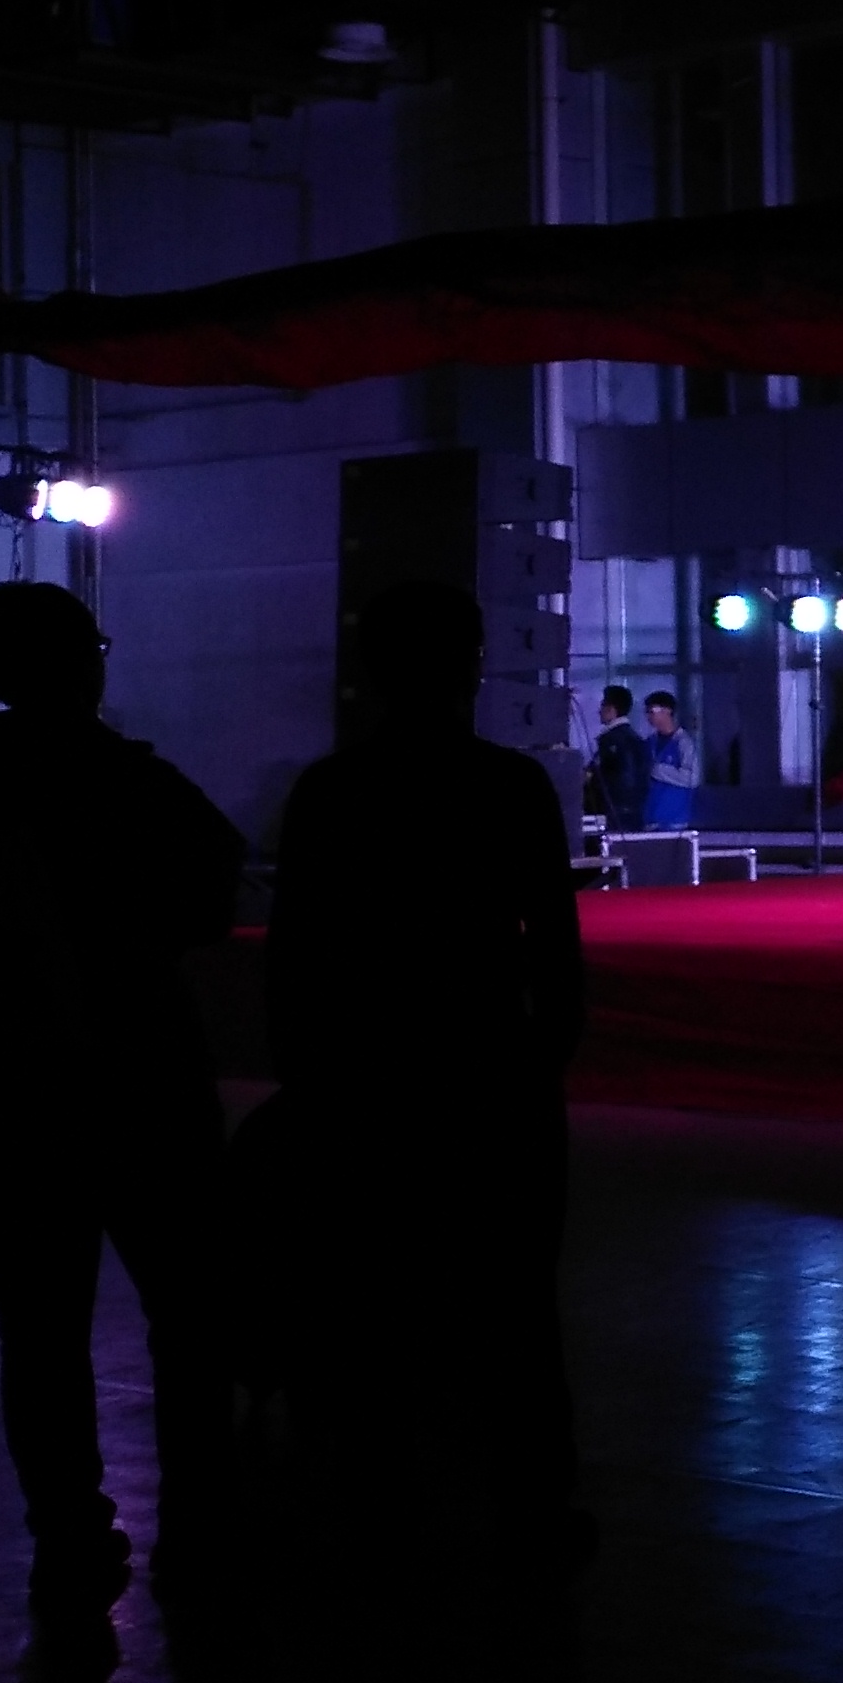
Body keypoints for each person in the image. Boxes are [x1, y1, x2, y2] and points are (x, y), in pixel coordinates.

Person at [0, 583, 253, 1621]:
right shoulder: (121, 776)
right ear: (79, 664)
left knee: (40, 1331)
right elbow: (213, 889)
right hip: (142, 1075)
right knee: (190, 1317)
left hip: (23, 1088)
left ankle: (67, 1534)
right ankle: (198, 1528)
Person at [267, 577, 594, 1569]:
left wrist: (311, 1080)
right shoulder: (511, 786)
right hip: (490, 1064)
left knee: (373, 1296)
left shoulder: (331, 792)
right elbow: (555, 943)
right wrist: (544, 1056)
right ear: (473, 667)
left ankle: (381, 1508)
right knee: (515, 1300)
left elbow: (296, 955)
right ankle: (532, 1500)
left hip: (367, 1074)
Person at [590, 685, 652, 837]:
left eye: (602, 705)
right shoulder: (634, 738)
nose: (599, 711)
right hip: (633, 814)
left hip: (614, 815)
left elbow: (604, 777)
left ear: (611, 709)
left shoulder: (613, 740)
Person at [639, 689, 701, 830]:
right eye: (647, 712)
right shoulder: (650, 742)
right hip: (651, 819)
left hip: (675, 821)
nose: (649, 716)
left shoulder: (683, 742)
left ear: (667, 711)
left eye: (652, 711)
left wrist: (658, 770)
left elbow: (692, 778)